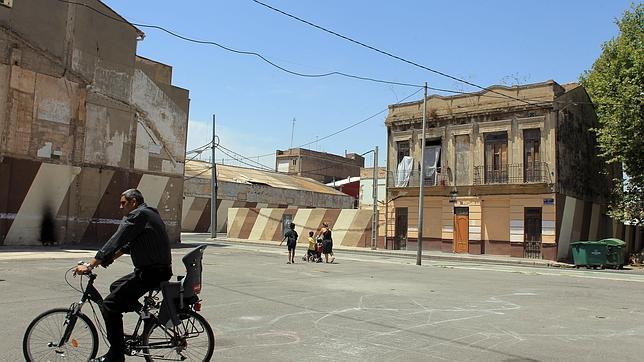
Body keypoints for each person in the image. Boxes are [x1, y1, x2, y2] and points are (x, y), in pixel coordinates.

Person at [74, 189, 173, 362]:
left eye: (123, 203)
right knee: (115, 288)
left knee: (110, 306)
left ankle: (116, 355)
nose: (120, 207)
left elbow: (118, 239)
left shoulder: (138, 215)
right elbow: (127, 245)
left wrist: (92, 263)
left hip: (152, 272)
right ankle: (147, 319)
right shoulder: (148, 214)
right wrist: (106, 260)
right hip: (154, 271)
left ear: (133, 201)